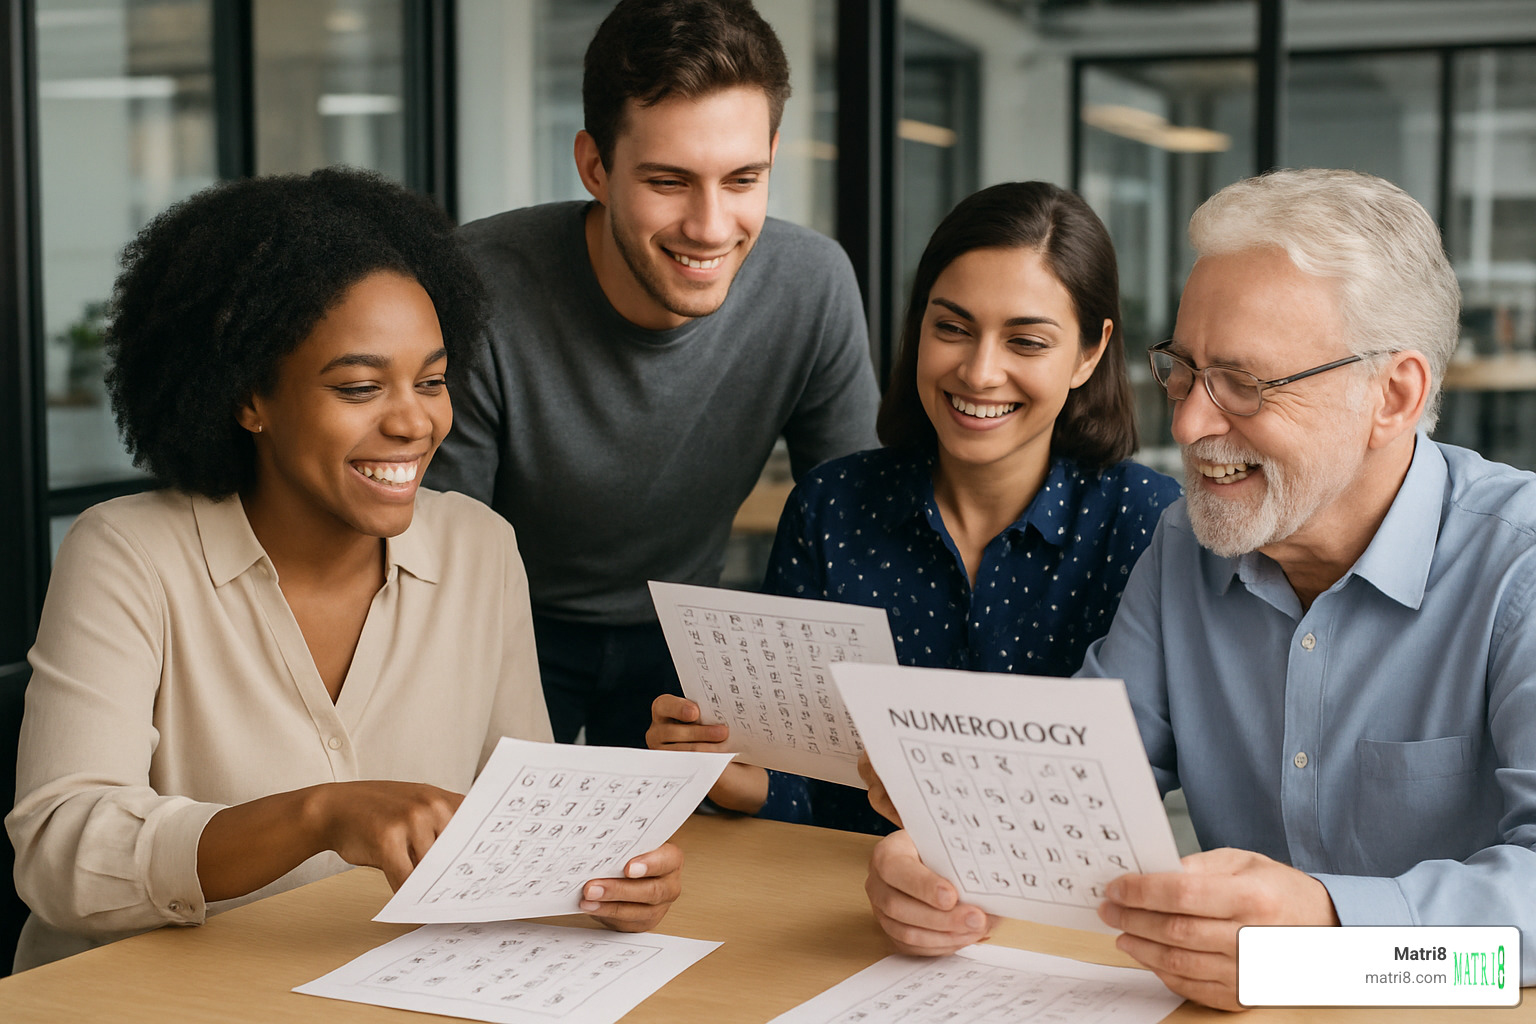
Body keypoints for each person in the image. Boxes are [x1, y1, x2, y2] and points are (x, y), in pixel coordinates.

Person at [863, 168, 1536, 1010]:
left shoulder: (1521, 570)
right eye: (1182, 370)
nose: (1185, 424)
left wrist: (1331, 936)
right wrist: (944, 852)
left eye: (1245, 384)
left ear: (1393, 395)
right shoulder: (1188, 541)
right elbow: (1080, 790)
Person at [4, 168, 682, 972]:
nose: (413, 421)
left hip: (378, 991)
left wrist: (597, 877)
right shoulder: (126, 553)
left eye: (432, 381)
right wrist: (318, 815)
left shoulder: (479, 547)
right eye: (360, 386)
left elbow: (516, 821)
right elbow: (61, 853)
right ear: (250, 397)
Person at [647, 181, 1181, 833]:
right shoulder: (831, 507)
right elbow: (800, 789)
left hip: (1051, 916)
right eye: (952, 328)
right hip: (839, 899)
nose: (980, 372)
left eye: (1027, 342)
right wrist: (737, 776)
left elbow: (1128, 785)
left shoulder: (1149, 525)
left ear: (1090, 352)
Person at [425, 0, 881, 750]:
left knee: (704, 863)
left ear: (772, 153)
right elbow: (446, 552)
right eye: (670, 181)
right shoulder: (477, 282)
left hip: (690, 632)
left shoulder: (813, 282)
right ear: (595, 167)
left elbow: (859, 525)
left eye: (742, 179)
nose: (709, 225)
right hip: (506, 619)